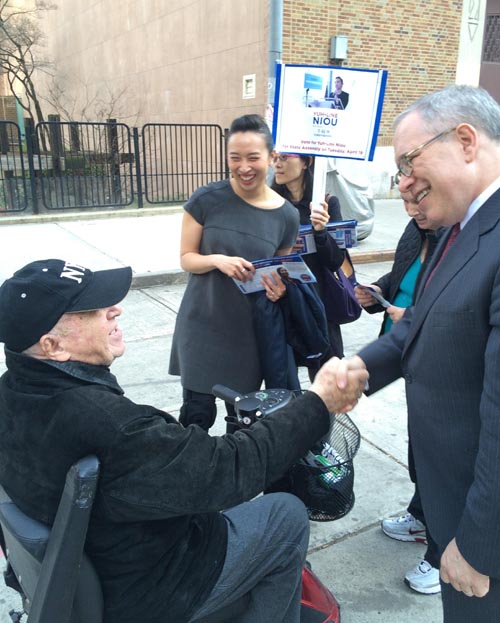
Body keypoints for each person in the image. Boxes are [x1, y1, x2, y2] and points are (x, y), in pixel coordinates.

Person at [0, 258, 368, 623]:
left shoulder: (14, 391)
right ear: (53, 346)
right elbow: (228, 471)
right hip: (155, 585)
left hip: (94, 563)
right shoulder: (109, 424)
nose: (115, 310)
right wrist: (319, 403)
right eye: (94, 310)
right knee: (285, 514)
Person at [339, 85, 500, 622]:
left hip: (483, 528)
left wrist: (479, 545)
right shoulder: (462, 228)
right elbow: (425, 318)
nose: (403, 181)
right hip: (450, 498)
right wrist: (364, 367)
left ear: (466, 141)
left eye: (409, 161)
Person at [168, 114, 299, 431]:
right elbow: (187, 258)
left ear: (271, 157)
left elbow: (281, 273)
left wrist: (279, 288)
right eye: (235, 157)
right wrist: (217, 260)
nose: (244, 167)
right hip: (202, 323)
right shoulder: (206, 200)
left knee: (242, 425)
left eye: (253, 157)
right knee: (196, 418)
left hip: (249, 333)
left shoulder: (287, 216)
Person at [355, 198, 441, 594]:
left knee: (443, 458)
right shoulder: (417, 229)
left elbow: (453, 305)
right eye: (405, 199)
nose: (411, 206)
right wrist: (379, 291)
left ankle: (443, 554)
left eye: (420, 196)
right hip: (409, 357)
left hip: (444, 363)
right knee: (420, 445)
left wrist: (414, 316)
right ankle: (422, 515)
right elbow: (403, 276)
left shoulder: (462, 237)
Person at [271, 152, 347, 379]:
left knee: (327, 377)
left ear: (306, 162)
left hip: (319, 300)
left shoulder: (326, 204)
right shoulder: (269, 204)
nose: (277, 164)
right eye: (274, 157)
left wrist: (320, 232)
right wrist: (282, 248)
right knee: (283, 377)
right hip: (283, 299)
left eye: (285, 157)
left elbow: (336, 261)